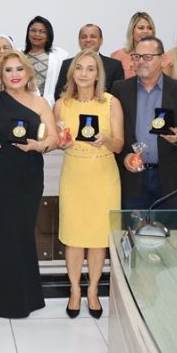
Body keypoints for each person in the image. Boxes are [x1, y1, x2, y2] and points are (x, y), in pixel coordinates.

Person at [0, 50, 58, 318]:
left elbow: (53, 138)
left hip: (29, 175)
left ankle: (27, 298)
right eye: (8, 70)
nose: (14, 75)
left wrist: (39, 145)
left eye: (19, 69)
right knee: (2, 233)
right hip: (0, 175)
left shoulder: (41, 102)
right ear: (1, 75)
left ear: (28, 73)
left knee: (22, 234)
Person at [54, 50, 124, 319]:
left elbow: (119, 145)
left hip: (103, 175)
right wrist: (62, 142)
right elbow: (56, 137)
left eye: (90, 69)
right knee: (73, 238)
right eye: (79, 68)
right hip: (74, 173)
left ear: (98, 74)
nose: (84, 73)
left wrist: (105, 138)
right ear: (72, 72)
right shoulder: (62, 104)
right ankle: (74, 290)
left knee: (97, 239)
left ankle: (93, 290)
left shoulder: (110, 103)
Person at [112, 36, 177, 210]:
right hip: (133, 177)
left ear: (163, 59)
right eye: (137, 57)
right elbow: (114, 133)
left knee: (171, 235)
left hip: (169, 179)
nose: (141, 62)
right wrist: (124, 157)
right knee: (133, 233)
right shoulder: (120, 89)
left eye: (148, 57)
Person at [55, 24, 124, 97]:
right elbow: (60, 94)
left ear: (101, 40)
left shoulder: (115, 65)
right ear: (79, 41)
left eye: (93, 36)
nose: (88, 40)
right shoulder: (67, 64)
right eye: (84, 37)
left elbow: (118, 95)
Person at [111, 12, 173, 80]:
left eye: (149, 28)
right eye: (141, 28)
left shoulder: (162, 56)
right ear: (132, 30)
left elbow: (165, 85)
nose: (146, 31)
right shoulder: (118, 56)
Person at [23, 16, 67, 106]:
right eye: (33, 30)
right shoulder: (19, 54)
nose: (37, 34)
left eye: (42, 31)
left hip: (51, 105)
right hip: (24, 104)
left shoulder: (60, 55)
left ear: (48, 36)